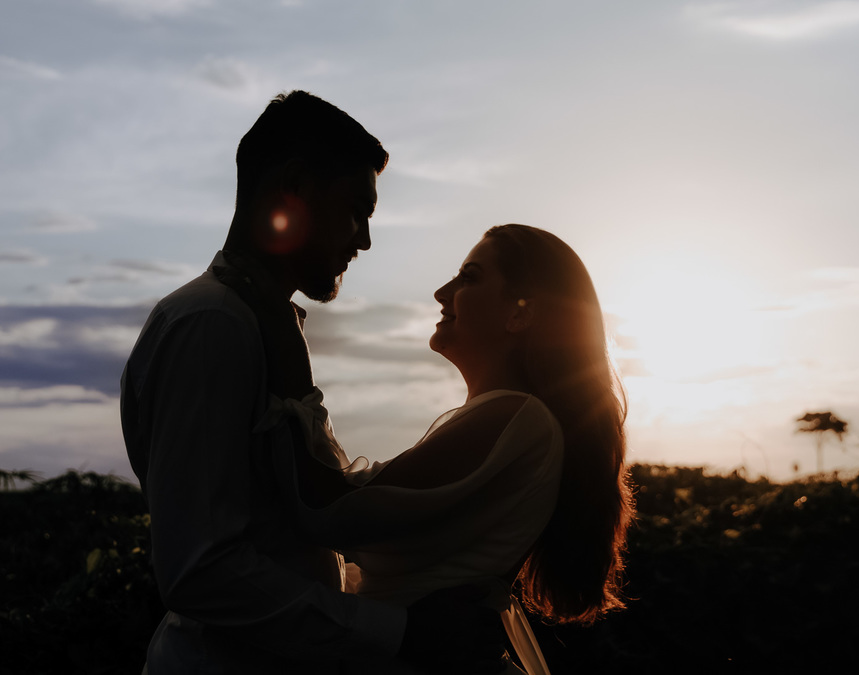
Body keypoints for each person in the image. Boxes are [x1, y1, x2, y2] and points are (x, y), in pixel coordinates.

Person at [121, 91, 501, 674]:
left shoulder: (258, 324)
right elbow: (200, 571)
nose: (365, 239)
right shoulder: (212, 326)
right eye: (357, 209)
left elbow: (290, 527)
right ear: (294, 188)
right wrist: (399, 631)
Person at [269, 224, 636, 674]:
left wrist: (289, 372)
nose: (443, 292)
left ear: (520, 313)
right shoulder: (509, 419)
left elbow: (328, 508)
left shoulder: (515, 416)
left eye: (470, 277)